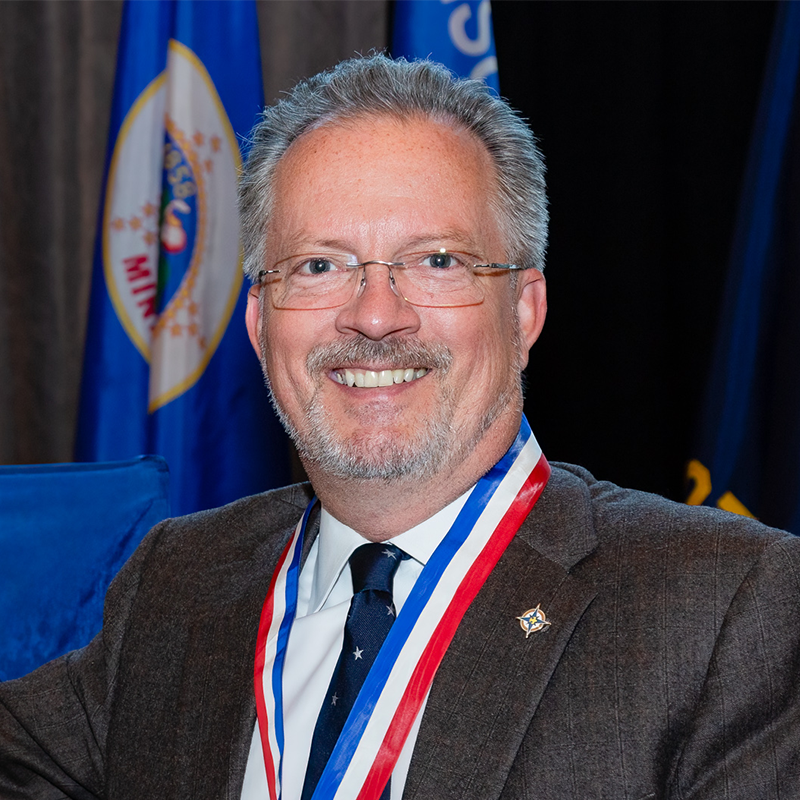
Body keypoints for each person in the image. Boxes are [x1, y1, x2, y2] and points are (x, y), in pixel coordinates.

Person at [2, 54, 799, 800]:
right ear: (257, 323)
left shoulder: (726, 607)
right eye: (319, 265)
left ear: (524, 311)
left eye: (437, 261)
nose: (375, 316)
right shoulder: (178, 581)